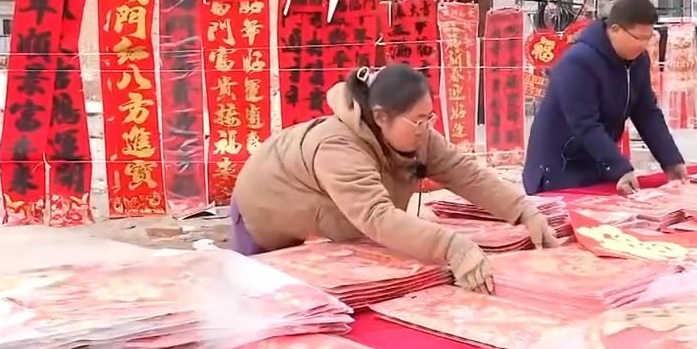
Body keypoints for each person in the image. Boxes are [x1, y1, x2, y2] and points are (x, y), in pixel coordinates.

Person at [230, 63, 560, 293]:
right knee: (264, 298)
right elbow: (377, 216)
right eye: (417, 120)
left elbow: (465, 173)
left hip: (320, 217)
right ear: (381, 117)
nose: (425, 129)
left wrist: (522, 210)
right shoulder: (337, 147)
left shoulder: (419, 135)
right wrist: (452, 247)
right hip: (263, 210)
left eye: (429, 118)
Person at [523, 0, 686, 196]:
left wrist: (670, 159)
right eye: (637, 38)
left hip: (596, 162)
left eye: (648, 38)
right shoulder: (578, 62)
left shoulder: (638, 61)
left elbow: (646, 112)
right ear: (615, 29)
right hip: (558, 169)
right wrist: (619, 168)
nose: (643, 45)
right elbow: (584, 123)